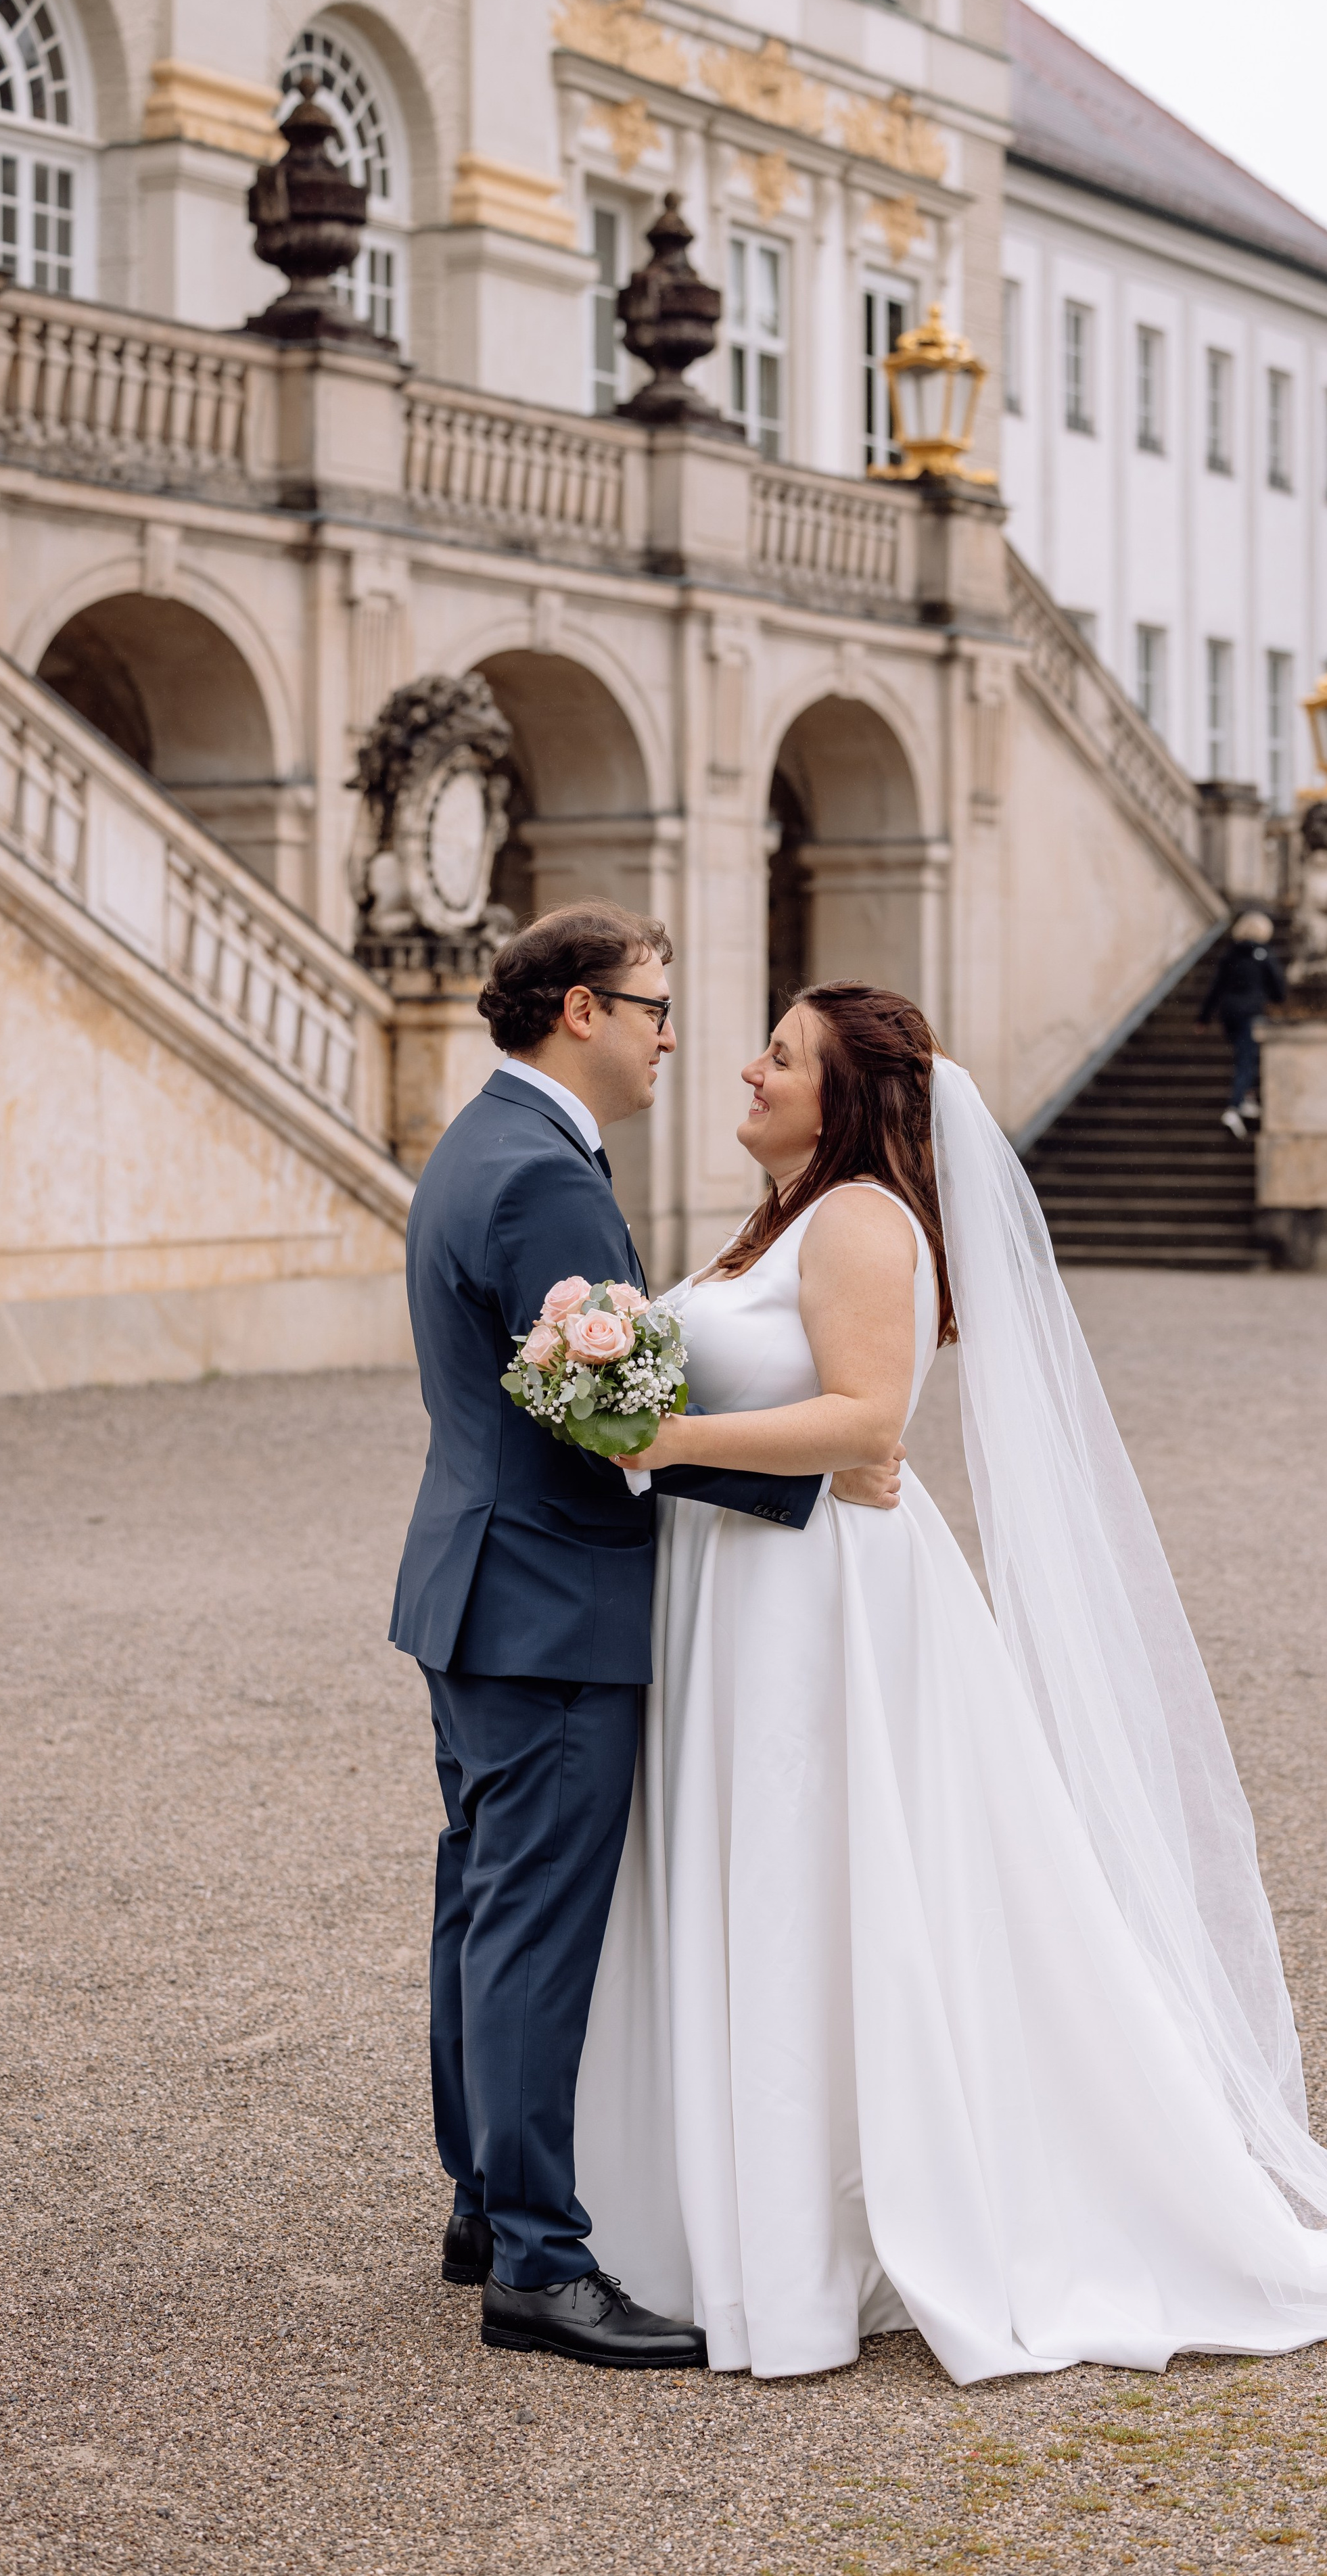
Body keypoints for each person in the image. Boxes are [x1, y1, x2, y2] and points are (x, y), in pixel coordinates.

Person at [565, 979, 1327, 2383]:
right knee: (776, 1882)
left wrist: (654, 1430)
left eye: (781, 1056)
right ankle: (755, 2219)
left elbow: (864, 1420)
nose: (749, 1070)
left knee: (817, 1883)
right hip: (743, 1581)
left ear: (847, 1100)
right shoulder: (774, 1220)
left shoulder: (855, 1220)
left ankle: (811, 2245)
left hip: (814, 1600)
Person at [389, 902, 900, 2372]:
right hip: (549, 1597)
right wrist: (796, 1470)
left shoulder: (491, 1139)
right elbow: (599, 1413)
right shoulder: (546, 1180)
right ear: (578, 1011)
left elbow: (589, 1403)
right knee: (534, 1925)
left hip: (483, 1583)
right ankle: (540, 2261)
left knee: (486, 1905)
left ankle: (489, 2204)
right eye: (654, 1004)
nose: (676, 1034)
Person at [1198, 910, 1287, 1138]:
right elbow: (1278, 988)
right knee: (1247, 1060)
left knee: (1244, 1054)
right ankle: (1234, 1108)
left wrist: (1204, 1018)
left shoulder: (1231, 954)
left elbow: (1216, 987)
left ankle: (1247, 1099)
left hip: (1229, 1013)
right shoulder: (1264, 954)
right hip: (1250, 1012)